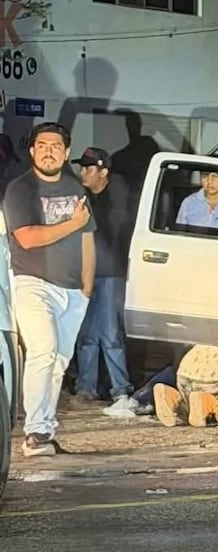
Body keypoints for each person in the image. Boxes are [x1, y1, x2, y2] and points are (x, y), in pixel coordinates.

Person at [2, 122, 96, 457]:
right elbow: (26, 237)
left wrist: (87, 287)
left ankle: (45, 429)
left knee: (58, 360)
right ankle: (33, 434)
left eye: (56, 146)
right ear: (32, 150)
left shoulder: (75, 187)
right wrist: (71, 223)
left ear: (66, 152)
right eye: (42, 145)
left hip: (72, 290)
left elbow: (88, 238)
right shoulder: (20, 189)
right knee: (43, 349)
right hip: (32, 282)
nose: (48, 150)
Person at [71, 147, 136, 413]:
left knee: (109, 333)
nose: (82, 173)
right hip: (85, 272)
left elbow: (116, 230)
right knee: (86, 334)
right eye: (82, 168)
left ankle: (120, 388)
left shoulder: (117, 196)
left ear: (103, 172)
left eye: (88, 168)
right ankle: (86, 387)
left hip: (111, 272)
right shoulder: (82, 198)